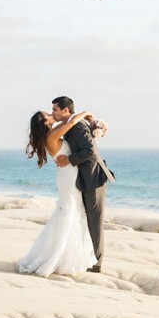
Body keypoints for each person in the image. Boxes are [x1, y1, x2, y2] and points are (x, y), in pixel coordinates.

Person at [17, 110, 98, 277]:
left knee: (69, 212)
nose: (50, 112)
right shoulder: (52, 137)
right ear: (45, 123)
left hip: (67, 175)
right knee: (68, 213)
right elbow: (72, 121)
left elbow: (66, 122)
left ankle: (64, 254)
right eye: (48, 114)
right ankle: (59, 257)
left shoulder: (52, 133)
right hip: (68, 176)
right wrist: (87, 112)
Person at [51, 96, 114, 273]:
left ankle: (97, 264)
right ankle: (88, 258)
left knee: (95, 222)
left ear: (65, 110)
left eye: (55, 109)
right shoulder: (71, 126)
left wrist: (69, 160)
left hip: (94, 179)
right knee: (87, 220)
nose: (53, 112)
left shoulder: (77, 127)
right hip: (85, 179)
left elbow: (89, 151)